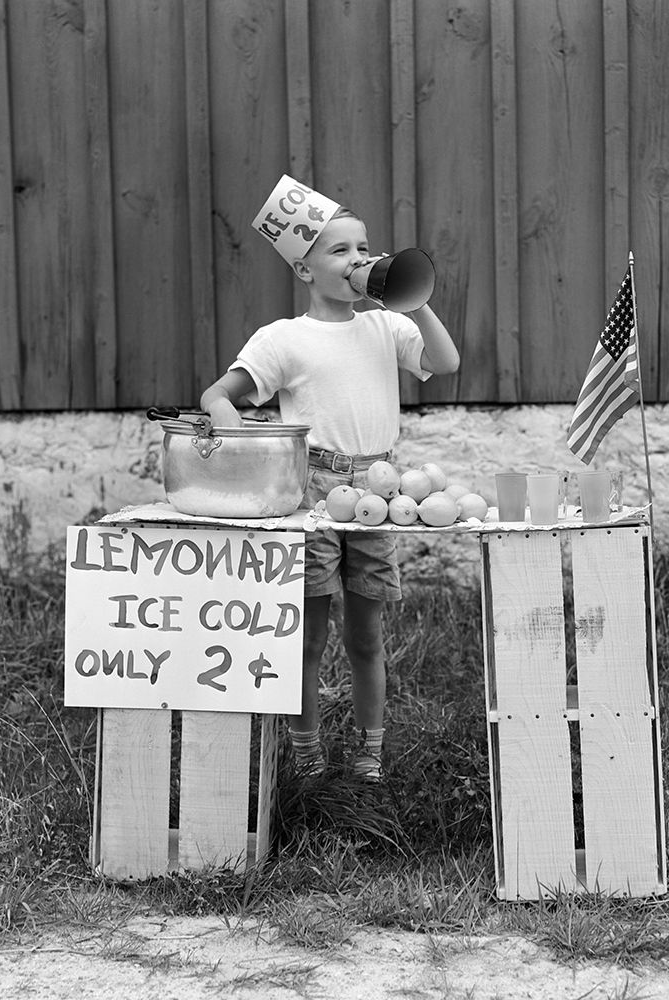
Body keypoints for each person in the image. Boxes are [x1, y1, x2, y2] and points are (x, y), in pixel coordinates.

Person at [200, 187, 459, 783]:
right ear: (303, 267)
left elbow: (444, 363)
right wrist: (229, 422)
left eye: (364, 248)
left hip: (378, 485)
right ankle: (308, 751)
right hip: (312, 490)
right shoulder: (282, 338)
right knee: (308, 636)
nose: (356, 258)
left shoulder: (384, 326)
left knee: (366, 636)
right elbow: (220, 393)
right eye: (339, 249)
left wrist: (413, 301)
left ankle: (370, 753)